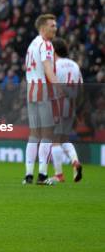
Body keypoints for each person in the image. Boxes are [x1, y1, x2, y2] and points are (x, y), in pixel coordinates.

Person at [24, 14, 58, 185]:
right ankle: (43, 176)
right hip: (41, 90)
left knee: (34, 134)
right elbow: (46, 67)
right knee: (47, 134)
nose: (55, 28)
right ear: (43, 28)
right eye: (52, 25)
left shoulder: (32, 44)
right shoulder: (46, 44)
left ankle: (28, 175)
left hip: (30, 90)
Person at [49, 37, 83, 183]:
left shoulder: (54, 65)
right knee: (63, 138)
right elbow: (81, 87)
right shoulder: (75, 65)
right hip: (71, 105)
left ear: (54, 50)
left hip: (58, 103)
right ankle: (75, 162)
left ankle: (59, 175)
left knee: (55, 140)